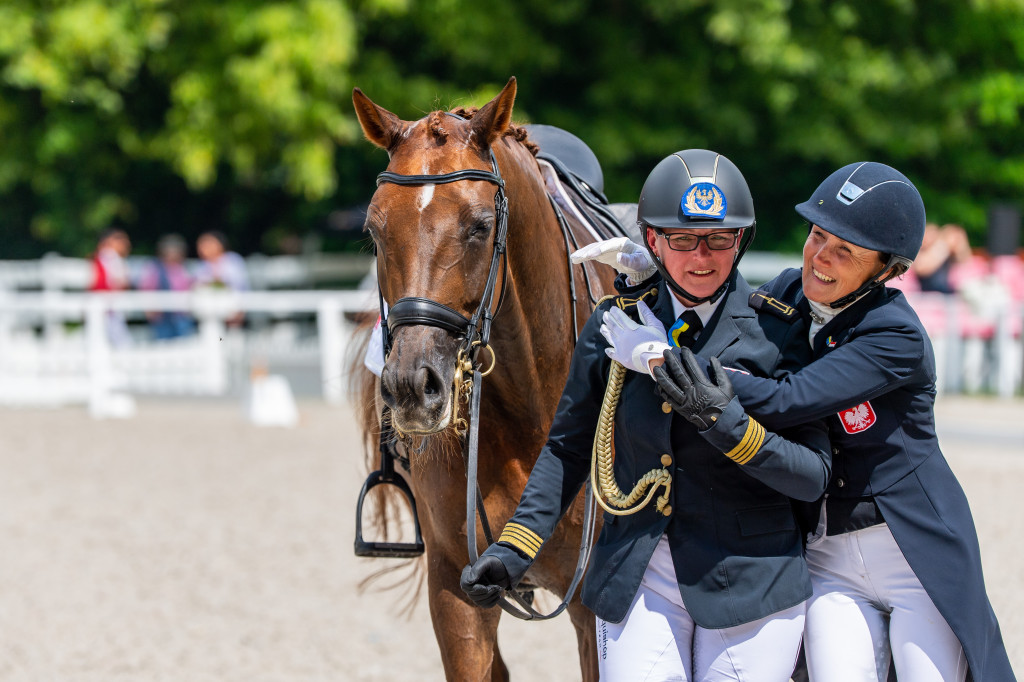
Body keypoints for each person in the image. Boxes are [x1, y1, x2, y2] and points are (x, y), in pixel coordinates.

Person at [598, 162, 1015, 680]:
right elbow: (725, 328)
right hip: (829, 554)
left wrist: (667, 357)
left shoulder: (896, 336)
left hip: (910, 552)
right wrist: (653, 287)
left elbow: (785, 399)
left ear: (886, 269)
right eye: (818, 235)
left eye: (846, 251)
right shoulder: (787, 291)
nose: (820, 257)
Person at [460, 149, 832, 681]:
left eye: (718, 239)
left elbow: (811, 474)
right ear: (652, 240)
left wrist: (715, 413)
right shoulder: (616, 325)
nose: (701, 258)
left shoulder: (779, 333)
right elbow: (567, 447)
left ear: (741, 241)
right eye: (681, 239)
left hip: (753, 578)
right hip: (639, 570)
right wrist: (515, 548)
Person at [138, 233, 196, 340]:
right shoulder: (154, 268)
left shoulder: (184, 268)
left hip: (181, 316)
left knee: (184, 345)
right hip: (161, 317)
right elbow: (146, 289)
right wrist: (149, 308)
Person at [194, 231, 249, 327]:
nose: (203, 248)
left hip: (232, 309)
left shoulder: (232, 260)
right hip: (208, 311)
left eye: (208, 244)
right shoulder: (202, 266)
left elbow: (239, 285)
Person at [89, 228, 133, 346]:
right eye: (120, 240)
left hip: (110, 307)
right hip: (107, 306)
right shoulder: (108, 258)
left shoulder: (108, 259)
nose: (125, 244)